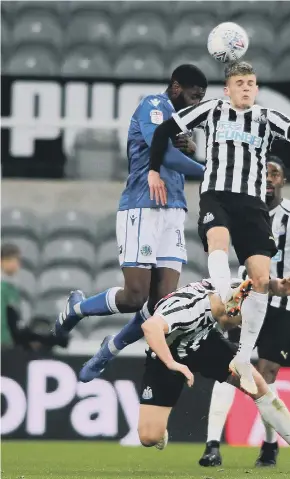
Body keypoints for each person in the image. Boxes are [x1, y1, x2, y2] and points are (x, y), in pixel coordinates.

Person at [148, 61, 290, 394]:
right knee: (218, 240)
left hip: (252, 206)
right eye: (239, 82)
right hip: (217, 195)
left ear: (256, 89)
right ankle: (225, 293)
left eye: (251, 83)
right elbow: (165, 129)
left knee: (259, 278)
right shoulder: (212, 110)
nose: (245, 88)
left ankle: (243, 354)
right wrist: (154, 169)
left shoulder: (265, 117)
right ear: (228, 89)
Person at [54, 65, 208, 381]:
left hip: (175, 209)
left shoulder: (182, 121)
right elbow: (162, 152)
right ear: (177, 87)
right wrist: (210, 171)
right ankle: (77, 309)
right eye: (193, 95)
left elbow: (185, 149)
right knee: (135, 297)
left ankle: (110, 348)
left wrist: (190, 146)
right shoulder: (153, 105)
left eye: (201, 98)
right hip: (143, 206)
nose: (195, 103)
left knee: (162, 307)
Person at [199, 156, 290, 468]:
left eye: (274, 173)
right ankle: (212, 445)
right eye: (263, 174)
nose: (269, 179)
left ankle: (270, 444)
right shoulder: (243, 211)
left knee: (265, 372)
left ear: (283, 181)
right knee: (231, 367)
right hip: (247, 299)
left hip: (284, 307)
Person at [137, 274, 290, 475]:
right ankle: (158, 430)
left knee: (259, 387)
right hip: (166, 355)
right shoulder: (187, 308)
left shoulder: (234, 289)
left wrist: (278, 286)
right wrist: (172, 363)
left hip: (204, 343)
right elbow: (150, 327)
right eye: (241, 320)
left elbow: (258, 285)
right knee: (149, 438)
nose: (241, 326)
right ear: (231, 308)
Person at [1, 244, 67, 351]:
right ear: (2, 261)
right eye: (11, 260)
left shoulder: (12, 289)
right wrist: (5, 344)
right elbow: (2, 320)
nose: (16, 264)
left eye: (17, 260)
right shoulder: (2, 288)